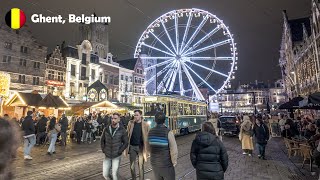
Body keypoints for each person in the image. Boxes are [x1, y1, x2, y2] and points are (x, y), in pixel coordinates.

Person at [148, 112, 178, 180]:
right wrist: (174, 162)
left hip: (154, 163)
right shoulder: (168, 132)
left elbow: (148, 147)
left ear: (155, 120)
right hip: (166, 164)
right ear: (165, 120)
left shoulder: (150, 132)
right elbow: (173, 149)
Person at [101, 113, 128, 180]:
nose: (113, 120)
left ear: (119, 119)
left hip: (116, 155)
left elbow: (126, 142)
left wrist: (120, 151)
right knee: (105, 174)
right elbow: (102, 140)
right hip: (107, 155)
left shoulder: (122, 130)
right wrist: (103, 149)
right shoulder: (106, 128)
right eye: (112, 118)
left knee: (115, 174)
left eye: (115, 118)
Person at [125, 110, 150, 180]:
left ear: (141, 115)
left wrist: (148, 149)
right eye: (134, 115)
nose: (135, 116)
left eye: (137, 115)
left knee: (141, 166)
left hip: (141, 148)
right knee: (132, 166)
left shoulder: (145, 124)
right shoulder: (130, 123)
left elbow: (148, 136)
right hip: (132, 147)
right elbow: (127, 134)